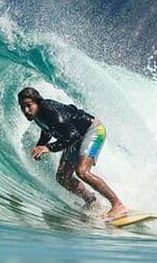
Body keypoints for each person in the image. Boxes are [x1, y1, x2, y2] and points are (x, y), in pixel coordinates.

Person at [17, 86, 128, 220]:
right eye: (22, 107)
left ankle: (118, 205)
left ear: (37, 102)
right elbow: (47, 129)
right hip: (76, 137)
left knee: (82, 171)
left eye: (29, 105)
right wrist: (40, 145)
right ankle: (91, 201)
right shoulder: (37, 115)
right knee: (63, 176)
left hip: (93, 130)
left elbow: (72, 135)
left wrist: (49, 148)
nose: (26, 110)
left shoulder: (49, 111)